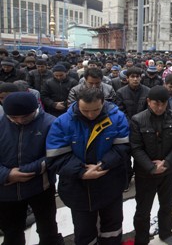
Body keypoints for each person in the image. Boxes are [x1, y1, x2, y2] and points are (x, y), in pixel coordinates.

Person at [46, 88, 130, 245]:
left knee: (112, 227)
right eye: (85, 111)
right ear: (77, 103)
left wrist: (104, 164)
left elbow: (123, 147)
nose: (91, 115)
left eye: (96, 110)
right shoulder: (62, 122)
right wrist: (81, 172)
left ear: (103, 103)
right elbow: (56, 156)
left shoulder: (117, 117)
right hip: (78, 188)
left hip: (110, 182)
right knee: (84, 231)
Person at [0, 92, 64, 245]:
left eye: (25, 117)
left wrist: (26, 171)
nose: (20, 121)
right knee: (12, 230)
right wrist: (6, 174)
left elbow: (54, 154)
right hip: (6, 189)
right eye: (14, 118)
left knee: (47, 226)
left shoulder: (50, 123)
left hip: (40, 185)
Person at [130, 86, 172, 245]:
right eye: (156, 104)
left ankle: (166, 232)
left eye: (163, 104)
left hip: (168, 171)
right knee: (143, 210)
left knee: (167, 204)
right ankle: (141, 239)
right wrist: (151, 166)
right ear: (148, 101)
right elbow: (135, 147)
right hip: (145, 173)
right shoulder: (137, 119)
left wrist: (166, 162)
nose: (160, 108)